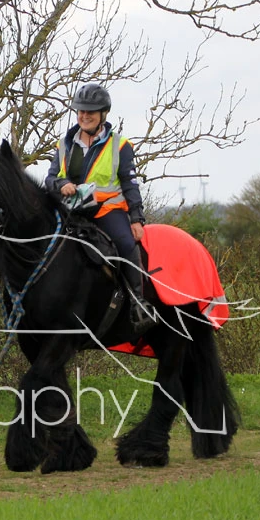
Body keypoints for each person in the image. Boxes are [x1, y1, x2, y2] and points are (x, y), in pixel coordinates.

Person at [44, 83, 156, 335]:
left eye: (90, 112)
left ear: (103, 114)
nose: (84, 116)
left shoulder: (120, 145)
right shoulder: (64, 145)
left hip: (106, 210)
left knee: (125, 244)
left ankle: (138, 303)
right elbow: (50, 179)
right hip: (71, 212)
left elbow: (130, 183)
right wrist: (61, 184)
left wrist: (136, 218)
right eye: (81, 111)